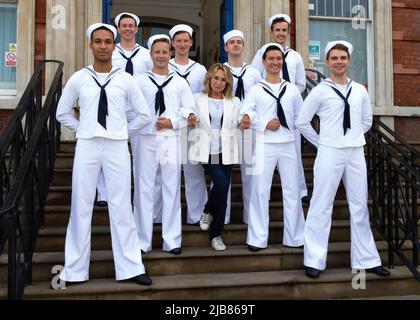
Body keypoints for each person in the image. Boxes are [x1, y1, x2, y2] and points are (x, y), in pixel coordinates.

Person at [56, 23, 152, 286]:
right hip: (87, 145)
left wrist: (122, 131)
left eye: (108, 42)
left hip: (117, 147)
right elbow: (61, 113)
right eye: (98, 41)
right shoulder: (79, 77)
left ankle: (131, 267)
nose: (103, 46)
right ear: (90, 45)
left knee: (121, 206)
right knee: (81, 206)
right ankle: (74, 270)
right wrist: (83, 130)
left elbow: (144, 115)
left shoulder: (125, 78)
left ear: (114, 45)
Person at [296, 40, 390, 278]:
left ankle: (366, 259)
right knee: (321, 205)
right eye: (334, 58)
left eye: (343, 58)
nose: (339, 62)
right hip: (330, 152)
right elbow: (302, 122)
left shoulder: (359, 90)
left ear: (348, 60)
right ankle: (314, 260)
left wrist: (353, 137)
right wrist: (321, 142)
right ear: (328, 62)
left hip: (355, 152)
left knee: (359, 206)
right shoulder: (319, 90)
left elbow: (366, 121)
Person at [239, 43, 305, 251]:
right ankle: (257, 238)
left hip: (288, 145)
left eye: (278, 59)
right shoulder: (256, 89)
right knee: (260, 191)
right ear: (263, 61)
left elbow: (300, 119)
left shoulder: (292, 89)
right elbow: (243, 115)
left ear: (282, 62)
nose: (275, 62)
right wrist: (263, 123)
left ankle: (295, 237)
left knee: (292, 191)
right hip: (264, 145)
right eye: (271, 59)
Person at [133, 34, 195, 255]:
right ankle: (142, 240)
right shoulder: (139, 81)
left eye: (164, 52)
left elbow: (189, 111)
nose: (161, 56)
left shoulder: (179, 82)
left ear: (170, 53)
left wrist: (173, 122)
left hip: (170, 139)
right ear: (151, 55)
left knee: (171, 188)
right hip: (145, 139)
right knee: (144, 189)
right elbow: (130, 110)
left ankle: (172, 240)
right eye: (156, 52)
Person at [153, 24, 208, 226]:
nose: (183, 44)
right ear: (172, 44)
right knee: (161, 175)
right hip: (168, 129)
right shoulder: (165, 67)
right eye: (179, 41)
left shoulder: (199, 69)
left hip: (192, 127)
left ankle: (195, 215)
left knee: (194, 172)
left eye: (186, 40)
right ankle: (157, 216)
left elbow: (204, 97)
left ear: (191, 43)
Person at [96, 12, 152, 207]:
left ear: (136, 29)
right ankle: (104, 193)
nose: (127, 29)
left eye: (131, 25)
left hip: (138, 110)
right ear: (118, 29)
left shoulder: (146, 54)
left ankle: (137, 196)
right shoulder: (111, 50)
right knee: (107, 149)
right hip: (114, 108)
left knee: (139, 154)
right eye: (124, 25)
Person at [251, 14, 307, 202]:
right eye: (278, 30)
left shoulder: (295, 57)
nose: (281, 33)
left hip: (289, 109)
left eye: (284, 30)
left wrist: (287, 97)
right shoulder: (262, 53)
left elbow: (301, 83)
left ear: (288, 32)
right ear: (272, 32)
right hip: (267, 109)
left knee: (295, 150)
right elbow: (254, 77)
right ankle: (260, 191)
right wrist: (270, 96)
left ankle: (300, 191)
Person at [188, 63, 241, 251]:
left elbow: (243, 116)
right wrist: (190, 117)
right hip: (206, 149)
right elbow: (186, 111)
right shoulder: (197, 99)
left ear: (227, 83)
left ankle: (216, 235)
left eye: (223, 79)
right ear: (209, 79)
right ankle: (207, 211)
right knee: (221, 185)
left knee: (223, 193)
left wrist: (246, 119)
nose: (218, 83)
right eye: (215, 78)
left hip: (226, 150)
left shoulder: (234, 102)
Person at [220, 30, 261, 226]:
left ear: (243, 46)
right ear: (226, 47)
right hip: (226, 128)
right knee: (223, 174)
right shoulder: (220, 71)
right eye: (232, 42)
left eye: (239, 42)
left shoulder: (253, 73)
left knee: (250, 173)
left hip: (247, 127)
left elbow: (259, 101)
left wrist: (249, 116)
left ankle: (250, 216)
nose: (235, 45)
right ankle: (223, 216)